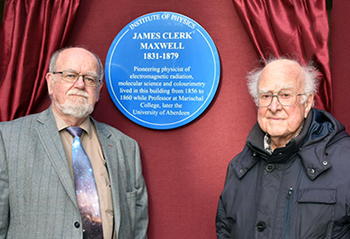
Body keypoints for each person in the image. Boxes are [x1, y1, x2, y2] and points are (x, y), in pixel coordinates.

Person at [0, 47, 148, 239]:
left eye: (90, 79)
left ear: (98, 90)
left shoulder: (126, 147)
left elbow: (137, 227)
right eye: (70, 75)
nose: (80, 84)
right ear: (51, 83)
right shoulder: (8, 138)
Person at [216, 58, 350, 238]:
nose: (274, 107)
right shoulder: (238, 168)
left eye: (285, 95)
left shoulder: (345, 163)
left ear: (307, 102)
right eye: (266, 96)